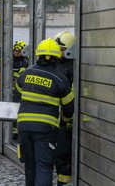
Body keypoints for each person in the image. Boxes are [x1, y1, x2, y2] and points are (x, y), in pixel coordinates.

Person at [17, 38, 74, 186]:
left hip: (23, 127)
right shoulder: (59, 79)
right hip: (45, 130)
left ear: (38, 55)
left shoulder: (27, 73)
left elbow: (17, 92)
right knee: (44, 167)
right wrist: (64, 121)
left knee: (30, 166)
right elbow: (69, 108)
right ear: (56, 58)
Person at [53, 31, 75, 186]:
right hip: (62, 117)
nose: (58, 51)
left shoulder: (68, 68)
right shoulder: (59, 65)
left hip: (66, 118)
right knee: (61, 154)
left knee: (63, 154)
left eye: (61, 48)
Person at [12, 40, 30, 142]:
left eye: (18, 50)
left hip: (18, 91)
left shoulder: (24, 62)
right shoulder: (11, 60)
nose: (16, 52)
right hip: (12, 91)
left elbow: (20, 78)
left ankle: (16, 133)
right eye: (15, 50)